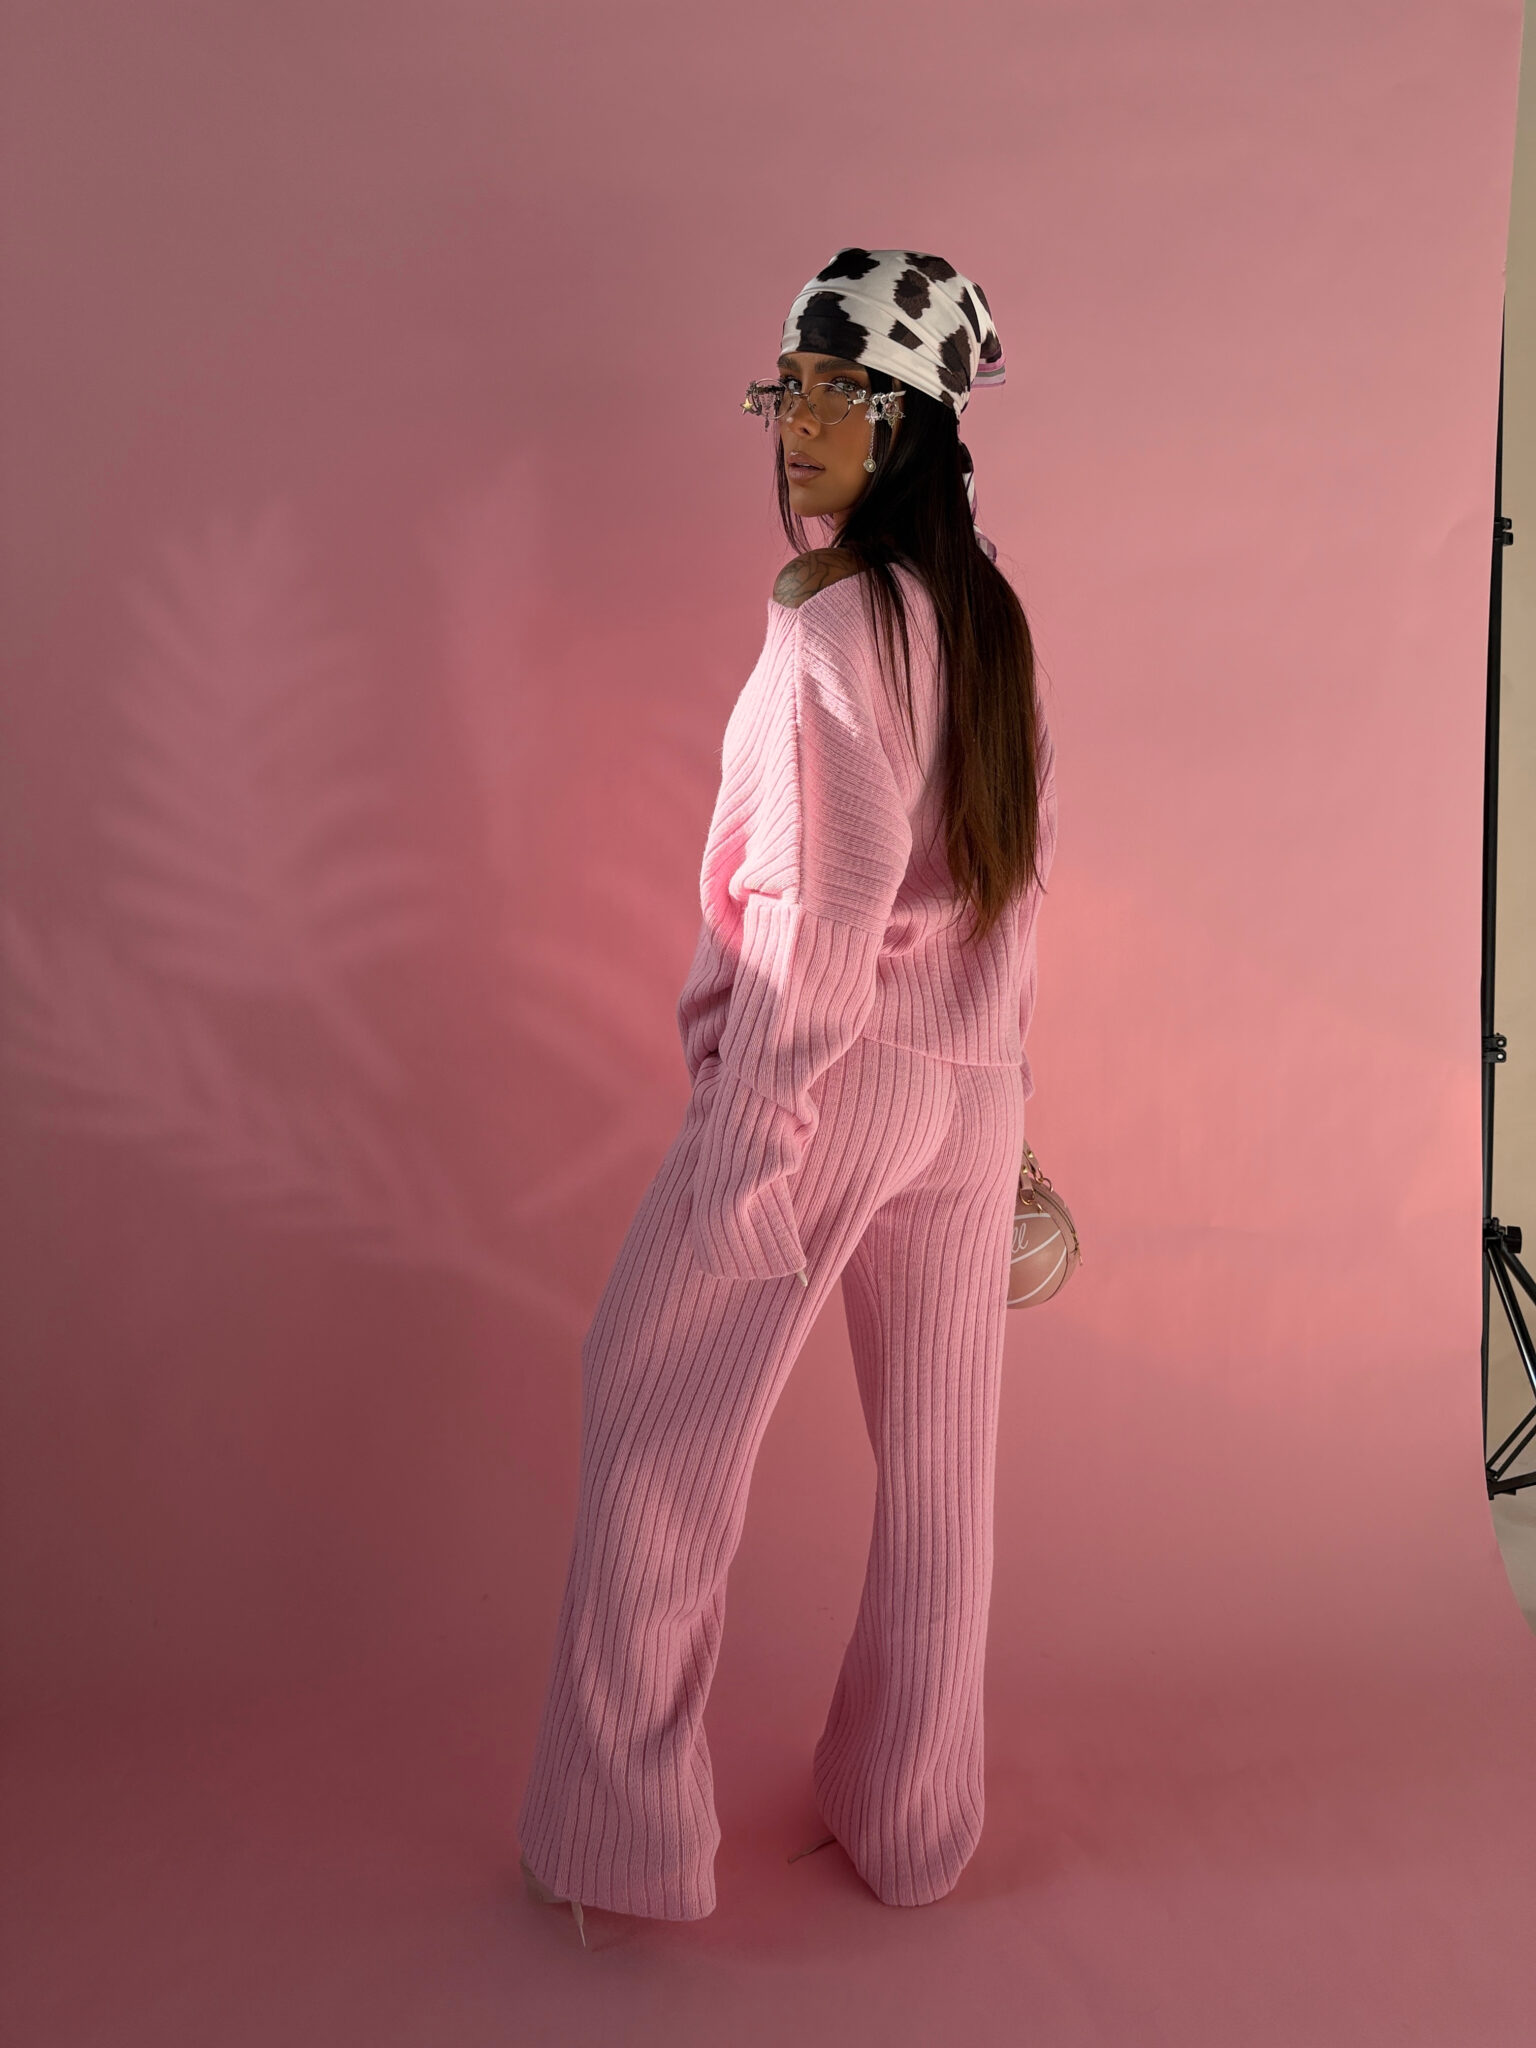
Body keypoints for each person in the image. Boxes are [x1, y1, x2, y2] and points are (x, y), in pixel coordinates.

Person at [518, 247, 1058, 1934]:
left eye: (838, 391)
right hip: (966, 1098)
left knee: (649, 1413)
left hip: (828, 1082)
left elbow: (818, 906)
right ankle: (913, 1822)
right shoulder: (987, 617)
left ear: (910, 423)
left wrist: (753, 1141)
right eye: (790, 387)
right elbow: (1015, 890)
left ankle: (620, 1844)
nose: (797, 421)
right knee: (942, 1479)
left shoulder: (834, 619)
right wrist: (1012, 1126)